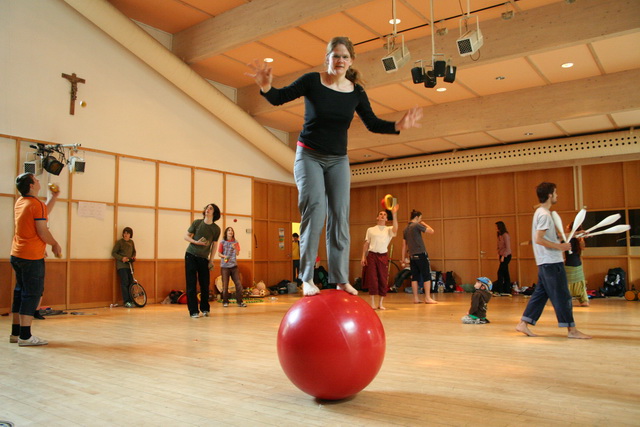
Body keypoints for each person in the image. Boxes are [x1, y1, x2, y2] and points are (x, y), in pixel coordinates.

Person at [246, 36, 422, 297]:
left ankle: (340, 278)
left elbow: (372, 123)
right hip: (309, 156)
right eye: (335, 55)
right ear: (327, 58)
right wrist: (266, 86)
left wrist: (397, 125)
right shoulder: (311, 81)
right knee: (315, 211)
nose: (339, 60)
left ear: (351, 61)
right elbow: (278, 98)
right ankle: (307, 277)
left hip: (338, 159)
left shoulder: (356, 91)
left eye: (344, 56)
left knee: (340, 216)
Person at [516, 182, 591, 338]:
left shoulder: (541, 213)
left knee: (540, 295)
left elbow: (550, 237)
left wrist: (576, 236)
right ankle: (572, 330)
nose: (557, 196)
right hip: (551, 262)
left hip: (546, 262)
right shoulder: (544, 214)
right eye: (555, 193)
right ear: (550, 195)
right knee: (563, 296)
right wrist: (561, 248)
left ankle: (523, 323)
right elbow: (539, 239)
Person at [10, 173, 62, 346]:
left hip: (17, 254)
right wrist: (54, 244)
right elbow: (42, 230)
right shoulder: (36, 204)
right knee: (31, 294)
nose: (39, 181)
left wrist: (53, 198)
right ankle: (26, 336)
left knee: (20, 292)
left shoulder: (21, 202)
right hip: (31, 256)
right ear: (32, 185)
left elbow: (41, 213)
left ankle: (16, 333)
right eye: (36, 180)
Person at [184, 203, 220, 318]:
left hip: (204, 258)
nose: (207, 210)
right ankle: (193, 311)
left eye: (211, 208)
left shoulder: (216, 229)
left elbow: (214, 245)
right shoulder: (197, 223)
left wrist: (211, 260)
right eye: (207, 208)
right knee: (191, 284)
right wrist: (195, 242)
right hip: (190, 255)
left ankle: (205, 308)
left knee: (205, 284)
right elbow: (186, 236)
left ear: (214, 213)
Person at [361, 204, 400, 310]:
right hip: (372, 255)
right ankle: (372, 302)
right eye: (380, 214)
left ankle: (381, 303)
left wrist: (394, 214)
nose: (382, 216)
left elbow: (396, 228)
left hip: (383, 256)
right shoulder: (370, 230)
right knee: (372, 278)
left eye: (384, 215)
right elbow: (366, 244)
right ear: (377, 217)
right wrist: (363, 257)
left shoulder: (389, 229)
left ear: (387, 219)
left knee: (383, 278)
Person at [401, 209, 437, 304]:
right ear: (417, 218)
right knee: (426, 275)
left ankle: (416, 298)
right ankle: (428, 298)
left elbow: (404, 245)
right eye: (420, 218)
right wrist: (424, 223)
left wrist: (403, 258)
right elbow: (432, 231)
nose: (421, 220)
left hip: (412, 255)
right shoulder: (416, 225)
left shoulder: (405, 229)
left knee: (415, 277)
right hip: (421, 254)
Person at [218, 227, 246, 308]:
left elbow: (237, 253)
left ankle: (240, 302)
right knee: (225, 285)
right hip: (225, 267)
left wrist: (235, 248)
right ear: (226, 233)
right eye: (229, 230)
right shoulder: (222, 242)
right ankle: (225, 301)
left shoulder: (235, 242)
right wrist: (224, 256)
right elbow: (219, 254)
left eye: (232, 231)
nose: (230, 232)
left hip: (234, 266)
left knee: (238, 284)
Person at [564, 222, 589, 307]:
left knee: (566, 284)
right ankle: (583, 300)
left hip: (570, 264)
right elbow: (583, 247)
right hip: (577, 263)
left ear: (571, 229)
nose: (566, 227)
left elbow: (582, 247)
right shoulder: (575, 239)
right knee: (579, 284)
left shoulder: (568, 238)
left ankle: (566, 299)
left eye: (567, 227)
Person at [111, 227, 137, 308]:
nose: (125, 235)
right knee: (124, 282)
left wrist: (133, 257)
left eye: (127, 233)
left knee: (131, 282)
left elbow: (134, 252)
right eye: (124, 233)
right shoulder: (120, 242)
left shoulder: (132, 242)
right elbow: (113, 253)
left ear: (130, 235)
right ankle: (126, 301)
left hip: (130, 266)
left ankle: (132, 300)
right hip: (122, 266)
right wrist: (122, 258)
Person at [495, 221, 512, 295]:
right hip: (501, 255)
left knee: (500, 272)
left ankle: (500, 290)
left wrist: (503, 256)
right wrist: (498, 253)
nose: (495, 228)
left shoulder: (505, 235)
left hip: (506, 255)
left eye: (496, 226)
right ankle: (507, 290)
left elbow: (507, 247)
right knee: (505, 273)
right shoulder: (499, 235)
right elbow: (499, 246)